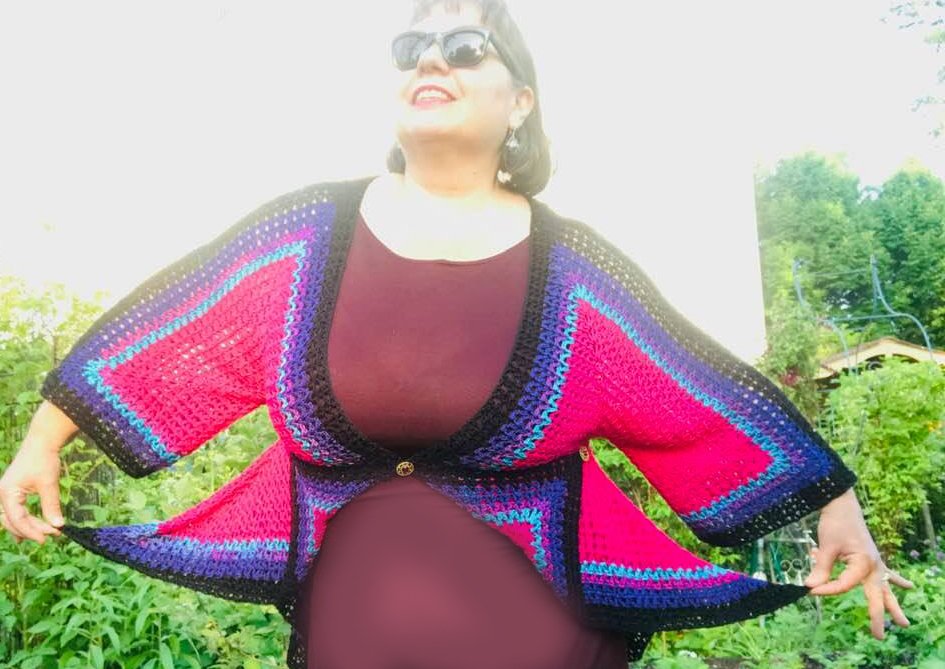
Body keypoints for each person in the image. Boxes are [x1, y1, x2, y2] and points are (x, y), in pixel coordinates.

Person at [0, 1, 915, 668]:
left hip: (543, 641)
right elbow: (173, 332)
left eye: (466, 45)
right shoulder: (304, 238)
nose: (429, 58)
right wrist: (44, 439)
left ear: (520, 101)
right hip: (353, 638)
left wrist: (833, 504)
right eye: (411, 46)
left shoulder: (573, 274)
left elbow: (695, 397)